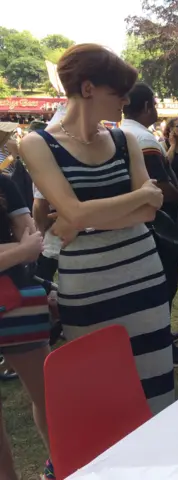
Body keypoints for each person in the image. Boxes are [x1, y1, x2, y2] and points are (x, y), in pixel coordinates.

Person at [19, 44, 175, 415]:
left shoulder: (126, 140)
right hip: (89, 287)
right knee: (105, 402)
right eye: (117, 91)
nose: (125, 99)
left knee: (156, 392)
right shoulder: (37, 144)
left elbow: (150, 212)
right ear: (88, 89)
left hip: (143, 277)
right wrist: (138, 199)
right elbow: (74, 213)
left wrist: (84, 217)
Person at [121, 82, 178, 367]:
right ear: (147, 106)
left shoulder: (122, 133)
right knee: (165, 285)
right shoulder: (144, 139)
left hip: (138, 223)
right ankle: (161, 342)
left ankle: (158, 333)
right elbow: (160, 187)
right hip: (158, 224)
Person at [0, 173, 51, 480]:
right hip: (16, 295)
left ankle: (61, 464)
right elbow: (25, 246)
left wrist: (23, 249)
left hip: (18, 306)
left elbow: (33, 241)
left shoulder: (3, 183)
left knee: (50, 397)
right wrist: (16, 251)